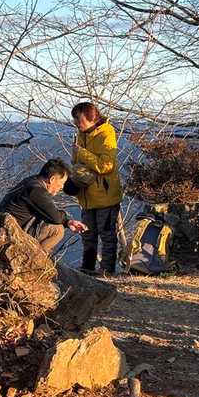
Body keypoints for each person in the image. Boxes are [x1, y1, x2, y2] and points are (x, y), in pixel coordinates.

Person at [70, 102, 122, 275]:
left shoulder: (106, 133)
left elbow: (106, 165)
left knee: (107, 235)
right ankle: (87, 270)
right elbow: (76, 161)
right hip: (86, 194)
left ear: (91, 117)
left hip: (105, 195)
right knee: (87, 235)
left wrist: (81, 152)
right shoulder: (81, 133)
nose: (76, 123)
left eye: (79, 119)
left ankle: (107, 272)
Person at [0, 159, 88, 254]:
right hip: (10, 233)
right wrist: (65, 220)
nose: (62, 187)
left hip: (5, 226)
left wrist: (67, 222)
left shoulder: (31, 182)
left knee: (52, 224)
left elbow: (49, 212)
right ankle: (34, 258)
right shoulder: (36, 190)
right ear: (52, 179)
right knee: (57, 230)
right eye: (62, 183)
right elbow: (55, 217)